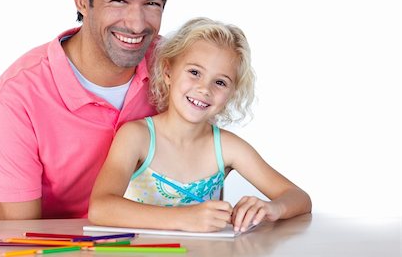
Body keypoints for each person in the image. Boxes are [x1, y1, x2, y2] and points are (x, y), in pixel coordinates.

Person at [0, 0, 174, 220]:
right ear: (83, 1)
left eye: (152, 3)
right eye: (119, 0)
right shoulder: (16, 96)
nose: (137, 24)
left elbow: (209, 161)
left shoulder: (175, 67)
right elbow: (16, 238)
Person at [88, 17, 312, 232]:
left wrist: (271, 208)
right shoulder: (136, 137)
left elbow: (299, 197)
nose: (205, 89)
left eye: (220, 82)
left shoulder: (226, 147)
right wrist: (184, 218)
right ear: (168, 71)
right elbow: (101, 208)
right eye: (194, 72)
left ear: (231, 93)